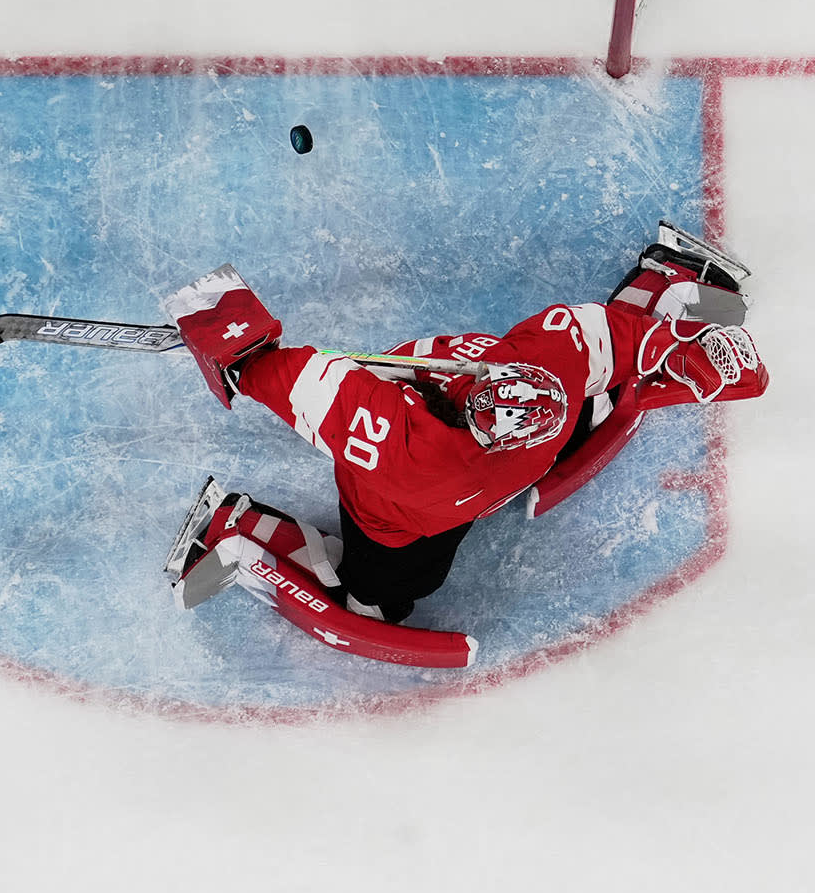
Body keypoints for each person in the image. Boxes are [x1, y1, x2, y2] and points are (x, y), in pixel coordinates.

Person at [162, 230, 769, 630]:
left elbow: (307, 385)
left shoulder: (416, 441)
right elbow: (613, 341)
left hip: (418, 506)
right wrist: (678, 352)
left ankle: (249, 534)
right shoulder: (540, 373)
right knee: (382, 598)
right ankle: (237, 528)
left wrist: (246, 360)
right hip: (411, 498)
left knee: (386, 593)